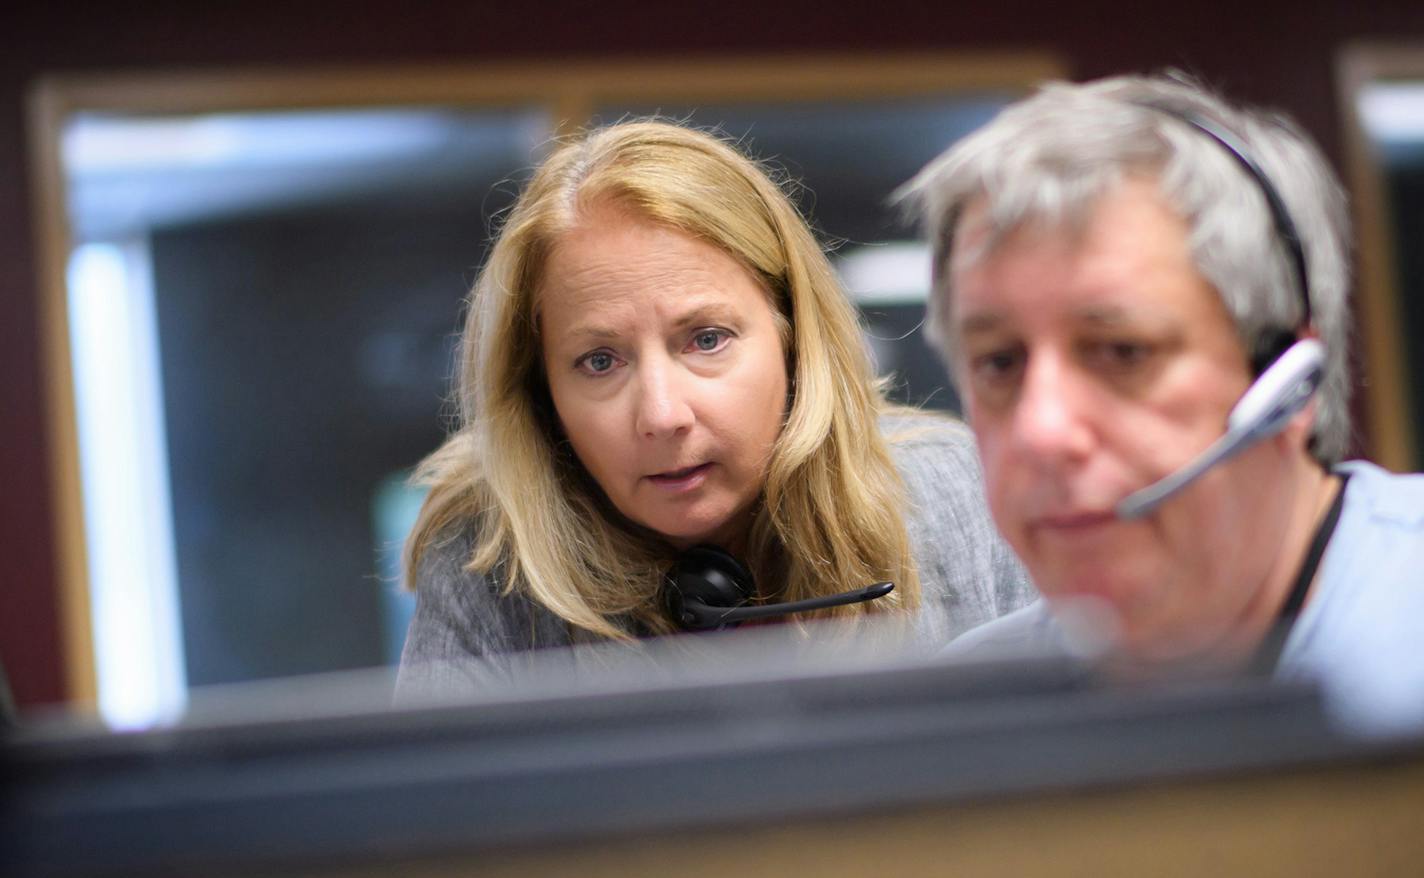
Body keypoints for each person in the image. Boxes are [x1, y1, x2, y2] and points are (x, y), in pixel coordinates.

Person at [397, 120, 1033, 700]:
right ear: (543, 395)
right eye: (599, 361)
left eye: (706, 340)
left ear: (794, 339)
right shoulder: (488, 564)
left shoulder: (951, 494)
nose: (663, 414)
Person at [900, 73, 1424, 720]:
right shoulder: (965, 717)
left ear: (1287, 383)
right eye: (999, 363)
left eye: (1123, 352)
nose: (1042, 432)